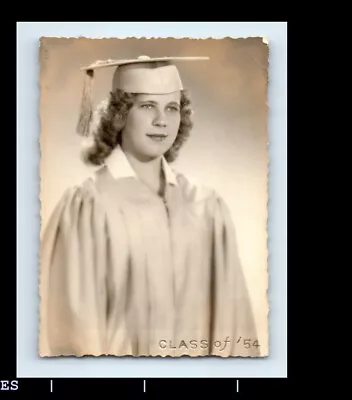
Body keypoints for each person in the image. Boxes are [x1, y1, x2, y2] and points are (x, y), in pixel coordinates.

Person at [39, 55, 260, 357]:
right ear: (119, 115)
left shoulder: (205, 205)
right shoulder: (88, 207)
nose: (162, 121)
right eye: (147, 107)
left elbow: (234, 327)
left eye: (172, 108)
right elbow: (73, 331)